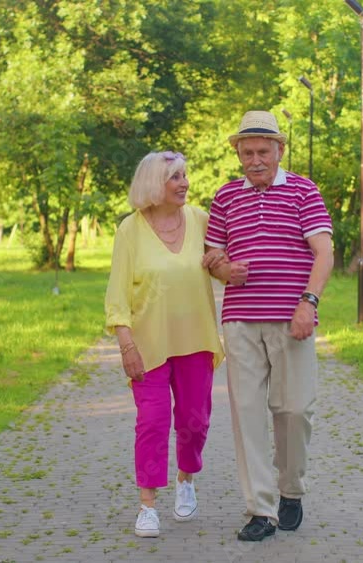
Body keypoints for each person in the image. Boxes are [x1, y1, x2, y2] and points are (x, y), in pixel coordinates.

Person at [202, 110, 334, 542]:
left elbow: (324, 252)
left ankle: (290, 490)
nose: (255, 159)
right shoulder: (224, 198)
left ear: (279, 150)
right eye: (247, 152)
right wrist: (224, 271)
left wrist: (307, 304)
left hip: (291, 318)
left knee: (294, 410)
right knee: (247, 416)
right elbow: (213, 257)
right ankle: (261, 509)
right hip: (240, 320)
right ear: (238, 154)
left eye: (263, 151)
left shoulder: (303, 191)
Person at [105, 151, 225, 539]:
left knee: (195, 420)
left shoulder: (201, 220)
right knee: (152, 423)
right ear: (154, 184)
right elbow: (117, 294)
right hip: (149, 344)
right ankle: (148, 505)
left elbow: (222, 261)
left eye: (185, 175)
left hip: (196, 341)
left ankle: (186, 478)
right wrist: (126, 344)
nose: (184, 183)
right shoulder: (130, 230)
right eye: (175, 177)